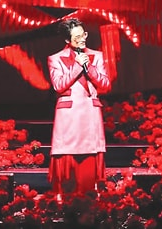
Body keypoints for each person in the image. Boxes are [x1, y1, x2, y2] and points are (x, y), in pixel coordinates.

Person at [47, 18, 111, 197]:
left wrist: (88, 66)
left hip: (90, 114)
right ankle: (65, 197)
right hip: (69, 117)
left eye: (83, 35)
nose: (82, 39)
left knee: (89, 162)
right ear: (67, 40)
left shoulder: (97, 56)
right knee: (68, 163)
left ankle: (90, 196)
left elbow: (105, 84)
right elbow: (59, 85)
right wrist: (76, 66)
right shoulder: (55, 59)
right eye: (77, 37)